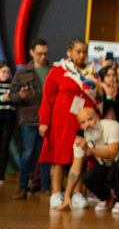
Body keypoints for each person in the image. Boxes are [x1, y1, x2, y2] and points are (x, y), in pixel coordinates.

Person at [39, 38, 98, 210]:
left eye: (84, 52)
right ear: (69, 52)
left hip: (83, 123)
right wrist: (44, 121)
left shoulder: (92, 74)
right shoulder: (58, 71)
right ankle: (56, 193)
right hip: (61, 122)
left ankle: (77, 193)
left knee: (79, 157)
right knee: (59, 158)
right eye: (78, 52)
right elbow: (47, 99)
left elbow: (97, 100)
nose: (81, 55)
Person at [68, 107, 119, 213]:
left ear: (97, 117)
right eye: (83, 122)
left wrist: (88, 149)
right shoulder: (82, 137)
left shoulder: (112, 126)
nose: (87, 124)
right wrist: (67, 195)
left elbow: (112, 154)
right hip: (107, 165)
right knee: (88, 178)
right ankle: (106, 197)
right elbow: (75, 168)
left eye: (90, 119)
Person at [10, 39, 51, 198]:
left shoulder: (52, 70)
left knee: (45, 154)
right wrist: (20, 95)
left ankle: (45, 187)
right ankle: (22, 187)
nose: (42, 57)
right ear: (32, 52)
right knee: (27, 153)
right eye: (39, 53)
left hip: (47, 120)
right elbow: (12, 95)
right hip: (29, 119)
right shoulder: (22, 73)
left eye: (45, 53)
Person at [0, 62, 16, 188]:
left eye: (7, 72)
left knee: (4, 146)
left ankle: (1, 174)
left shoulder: (12, 84)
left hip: (9, 119)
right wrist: (2, 98)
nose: (6, 74)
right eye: (3, 72)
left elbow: (16, 99)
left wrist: (13, 97)